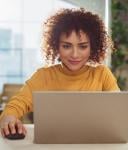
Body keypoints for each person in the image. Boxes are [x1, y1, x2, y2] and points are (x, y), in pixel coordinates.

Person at [0, 8, 120, 137]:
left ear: (93, 47)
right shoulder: (43, 76)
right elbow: (18, 103)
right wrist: (9, 117)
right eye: (67, 46)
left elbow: (118, 109)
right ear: (56, 46)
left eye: (83, 46)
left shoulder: (102, 74)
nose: (75, 55)